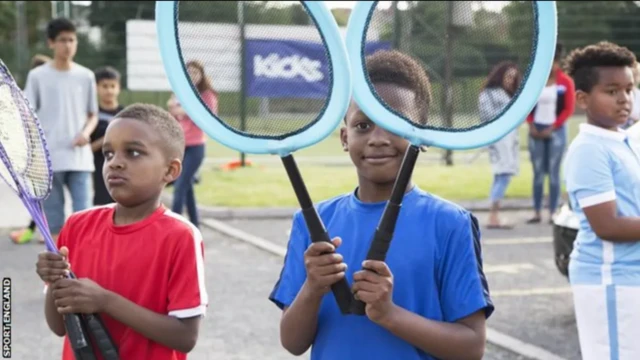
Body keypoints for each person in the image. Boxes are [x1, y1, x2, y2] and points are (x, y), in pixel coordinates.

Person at [268, 50, 493, 360]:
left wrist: (390, 315)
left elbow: (471, 347)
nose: (377, 138)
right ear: (345, 137)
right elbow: (293, 343)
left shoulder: (450, 223)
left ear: (422, 134)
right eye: (363, 126)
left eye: (395, 123)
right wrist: (313, 287)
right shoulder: (314, 220)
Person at [35, 103, 208, 360]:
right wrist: (56, 280)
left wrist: (105, 301)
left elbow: (185, 337)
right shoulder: (77, 226)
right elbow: (59, 326)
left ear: (170, 170)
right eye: (108, 154)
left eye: (133, 153)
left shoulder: (180, 236)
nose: (115, 163)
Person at [562, 41, 640, 360]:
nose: (624, 99)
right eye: (611, 91)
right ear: (583, 99)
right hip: (610, 280)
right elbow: (607, 226)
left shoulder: (623, 140)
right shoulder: (589, 149)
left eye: (629, 89)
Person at [24, 18, 98, 242]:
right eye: (62, 40)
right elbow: (27, 113)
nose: (68, 45)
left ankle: (82, 268)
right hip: (49, 161)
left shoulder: (86, 76)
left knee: (84, 216)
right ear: (51, 43)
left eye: (72, 40)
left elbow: (92, 114)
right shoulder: (37, 76)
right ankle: (58, 274)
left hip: (79, 159)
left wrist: (85, 133)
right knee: (54, 222)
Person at [525, 42, 576, 224]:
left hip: (555, 131)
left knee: (554, 173)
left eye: (554, 62)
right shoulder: (535, 80)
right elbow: (526, 104)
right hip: (536, 130)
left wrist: (553, 126)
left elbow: (568, 108)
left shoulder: (565, 82)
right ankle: (537, 211)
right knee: (538, 173)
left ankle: (553, 211)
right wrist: (531, 124)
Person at [167, 60, 217, 228]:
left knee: (180, 185)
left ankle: (173, 225)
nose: (192, 76)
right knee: (187, 187)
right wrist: (177, 110)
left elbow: (207, 116)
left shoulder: (207, 95)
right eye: (189, 72)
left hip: (196, 147)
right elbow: (173, 113)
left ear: (201, 75)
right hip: (180, 146)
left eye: (196, 72)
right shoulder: (180, 92)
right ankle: (195, 223)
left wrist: (185, 110)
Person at [10, 53, 52, 244]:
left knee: (42, 195)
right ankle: (35, 230)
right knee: (38, 195)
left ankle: (41, 231)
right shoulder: (32, 96)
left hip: (41, 153)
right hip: (36, 152)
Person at [478, 61, 523, 229]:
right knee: (503, 175)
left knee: (502, 175)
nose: (511, 80)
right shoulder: (490, 94)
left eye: (514, 77)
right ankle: (493, 216)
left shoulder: (508, 94)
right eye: (508, 76)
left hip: (509, 140)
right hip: (499, 140)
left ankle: (494, 215)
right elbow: (486, 115)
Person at [90, 66, 124, 206]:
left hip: (123, 167)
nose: (109, 90)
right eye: (104, 86)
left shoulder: (126, 113)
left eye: (112, 86)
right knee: (102, 205)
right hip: (100, 169)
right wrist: (109, 139)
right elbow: (89, 148)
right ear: (96, 88)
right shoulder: (92, 115)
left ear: (118, 88)